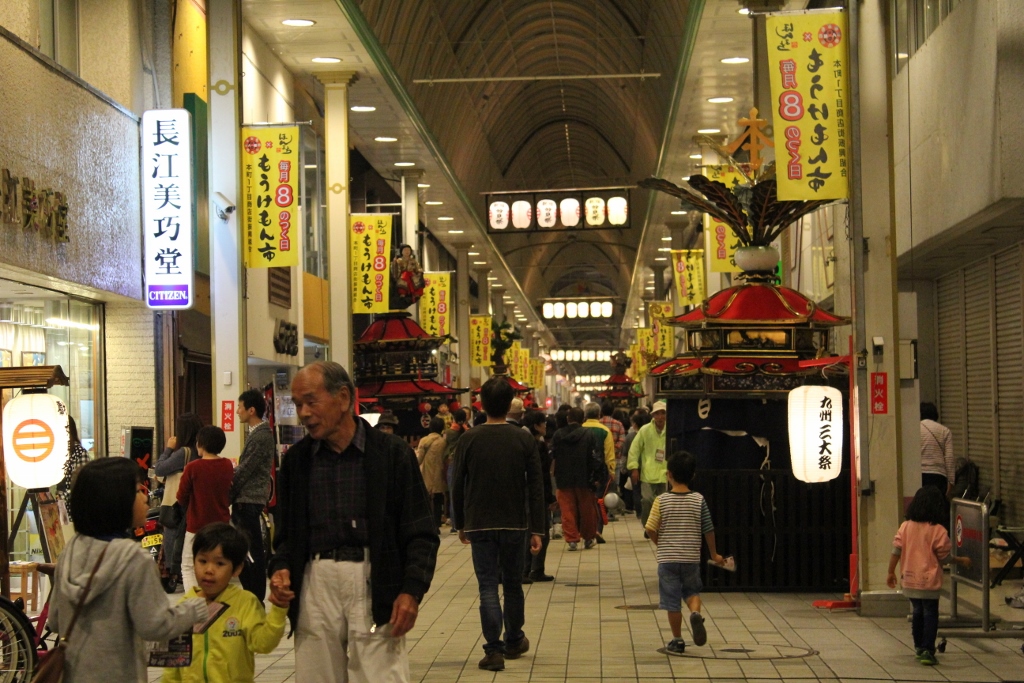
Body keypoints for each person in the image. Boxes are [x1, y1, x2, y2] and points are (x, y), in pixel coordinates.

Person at [268, 361, 439, 683]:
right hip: (315, 582)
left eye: (311, 401)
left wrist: (411, 590)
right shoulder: (297, 461)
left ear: (344, 397)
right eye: (297, 404)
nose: (303, 412)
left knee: (380, 677)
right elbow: (286, 534)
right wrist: (280, 567)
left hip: (374, 579)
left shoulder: (392, 454)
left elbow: (421, 532)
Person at [50, 458, 207, 682]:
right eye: (136, 490)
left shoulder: (69, 552)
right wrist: (194, 609)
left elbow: (55, 620)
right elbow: (155, 625)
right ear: (115, 501)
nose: (145, 496)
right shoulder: (133, 558)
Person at [451, 376, 545, 672]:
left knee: (488, 586)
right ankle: (514, 640)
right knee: (514, 584)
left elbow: (456, 483)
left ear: (481, 404)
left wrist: (460, 522)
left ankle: (493, 651)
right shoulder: (524, 438)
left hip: (479, 522)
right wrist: (538, 528)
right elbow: (537, 486)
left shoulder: (469, 438)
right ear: (509, 404)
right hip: (515, 522)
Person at [162, 523, 291, 683]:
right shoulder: (184, 607)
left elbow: (263, 643)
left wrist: (278, 609)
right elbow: (173, 667)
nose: (209, 570)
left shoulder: (245, 602)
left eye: (220, 563)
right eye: (202, 561)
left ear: (237, 569)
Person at [645, 451, 725, 654]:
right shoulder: (698, 500)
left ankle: (677, 640)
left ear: (668, 474)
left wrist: (659, 543)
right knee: (692, 592)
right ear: (693, 476)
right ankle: (695, 613)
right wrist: (714, 554)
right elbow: (708, 528)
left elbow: (650, 528)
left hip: (668, 559)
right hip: (690, 558)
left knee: (671, 601)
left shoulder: (661, 501)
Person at [887, 487, 971, 666]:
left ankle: (918, 647)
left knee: (917, 612)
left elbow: (896, 550)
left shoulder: (905, 526)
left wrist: (890, 572)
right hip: (929, 580)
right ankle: (927, 649)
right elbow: (945, 557)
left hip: (909, 579)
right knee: (930, 614)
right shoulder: (938, 530)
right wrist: (961, 560)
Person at [231, 388, 276, 601]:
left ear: (251, 410)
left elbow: (245, 469)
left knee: (251, 551)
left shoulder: (261, 436)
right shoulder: (258, 433)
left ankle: (255, 596)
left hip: (248, 500)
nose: (237, 411)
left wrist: (227, 491)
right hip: (248, 499)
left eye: (240, 407)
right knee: (248, 549)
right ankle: (252, 594)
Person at [177, 426, 233, 594]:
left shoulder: (193, 468)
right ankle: (215, 601)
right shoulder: (227, 465)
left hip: (196, 526)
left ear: (200, 444)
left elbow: (181, 497)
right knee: (218, 565)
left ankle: (194, 605)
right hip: (221, 526)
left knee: (188, 566)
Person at [155, 412, 204, 587]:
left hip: (176, 504)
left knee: (173, 539)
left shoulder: (184, 452)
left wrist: (168, 448)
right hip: (196, 506)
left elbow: (159, 469)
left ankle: (174, 575)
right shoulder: (201, 452)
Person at [550, 407, 605, 551]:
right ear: (583, 420)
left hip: (563, 478)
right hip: (585, 478)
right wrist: (597, 477)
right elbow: (596, 458)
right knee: (587, 510)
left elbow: (553, 456)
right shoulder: (589, 435)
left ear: (568, 419)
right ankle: (588, 538)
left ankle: (572, 540)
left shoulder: (558, 435)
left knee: (567, 510)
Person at [522, 409, 555, 582]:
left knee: (538, 530)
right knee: (534, 530)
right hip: (531, 494)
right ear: (536, 425)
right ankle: (528, 569)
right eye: (543, 423)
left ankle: (534, 569)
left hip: (536, 493)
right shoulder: (531, 444)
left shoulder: (536, 442)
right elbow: (540, 475)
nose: (546, 426)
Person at [628, 401, 669, 531]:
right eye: (657, 414)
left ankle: (658, 528)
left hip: (666, 473)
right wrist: (634, 468)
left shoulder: (671, 429)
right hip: (648, 473)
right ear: (653, 415)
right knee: (647, 501)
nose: (660, 417)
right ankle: (647, 526)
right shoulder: (645, 430)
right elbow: (634, 450)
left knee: (664, 504)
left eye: (663, 413)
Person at [582, 402, 615, 541]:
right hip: (600, 472)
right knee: (599, 500)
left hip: (582, 471)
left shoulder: (580, 429)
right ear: (598, 414)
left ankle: (585, 530)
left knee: (584, 501)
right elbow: (609, 454)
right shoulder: (605, 431)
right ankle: (598, 529)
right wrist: (611, 470)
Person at [57, 415, 90, 522]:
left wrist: (61, 496)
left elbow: (82, 487)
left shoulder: (79, 452)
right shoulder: (57, 452)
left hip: (72, 515)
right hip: (57, 511)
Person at [416, 416, 448, 528]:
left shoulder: (424, 440)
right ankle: (437, 522)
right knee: (438, 499)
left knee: (427, 499)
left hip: (427, 474)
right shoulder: (444, 441)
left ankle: (429, 524)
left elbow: (419, 459)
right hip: (440, 473)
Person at [919, 403, 954, 497]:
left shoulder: (915, 429)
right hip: (938, 476)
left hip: (919, 474)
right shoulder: (945, 431)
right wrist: (951, 482)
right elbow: (949, 458)